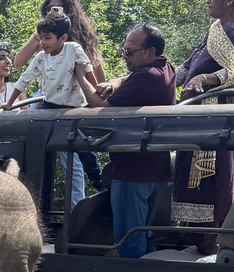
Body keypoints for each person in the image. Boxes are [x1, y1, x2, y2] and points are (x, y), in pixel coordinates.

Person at [74, 23, 176, 257]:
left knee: (129, 238)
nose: (124, 57)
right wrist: (115, 82)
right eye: (124, 51)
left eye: (130, 52)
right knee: (146, 233)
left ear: (150, 52)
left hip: (133, 172)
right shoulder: (166, 69)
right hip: (156, 169)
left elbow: (99, 106)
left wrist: (80, 74)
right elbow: (129, 76)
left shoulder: (146, 78)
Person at [172, 0, 234, 252]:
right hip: (201, 119)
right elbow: (187, 67)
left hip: (216, 121)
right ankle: (198, 240)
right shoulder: (216, 28)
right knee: (195, 181)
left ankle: (213, 245)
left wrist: (202, 78)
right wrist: (159, 80)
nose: (208, 2)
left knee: (211, 181)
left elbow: (231, 72)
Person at [5, 12, 98, 207]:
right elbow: (25, 79)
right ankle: (29, 182)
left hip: (74, 107)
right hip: (50, 104)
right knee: (35, 138)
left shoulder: (73, 49)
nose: (43, 43)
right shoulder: (41, 57)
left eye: (47, 38)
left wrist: (97, 95)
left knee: (84, 149)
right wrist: (10, 103)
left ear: (62, 38)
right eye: (40, 39)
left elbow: (87, 72)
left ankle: (99, 182)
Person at [14, 0, 106, 82]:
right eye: (50, 8)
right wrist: (40, 35)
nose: (54, 12)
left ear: (69, 10)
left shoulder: (82, 37)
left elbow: (96, 67)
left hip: (77, 95)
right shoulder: (40, 36)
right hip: (47, 94)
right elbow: (18, 62)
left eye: (58, 8)